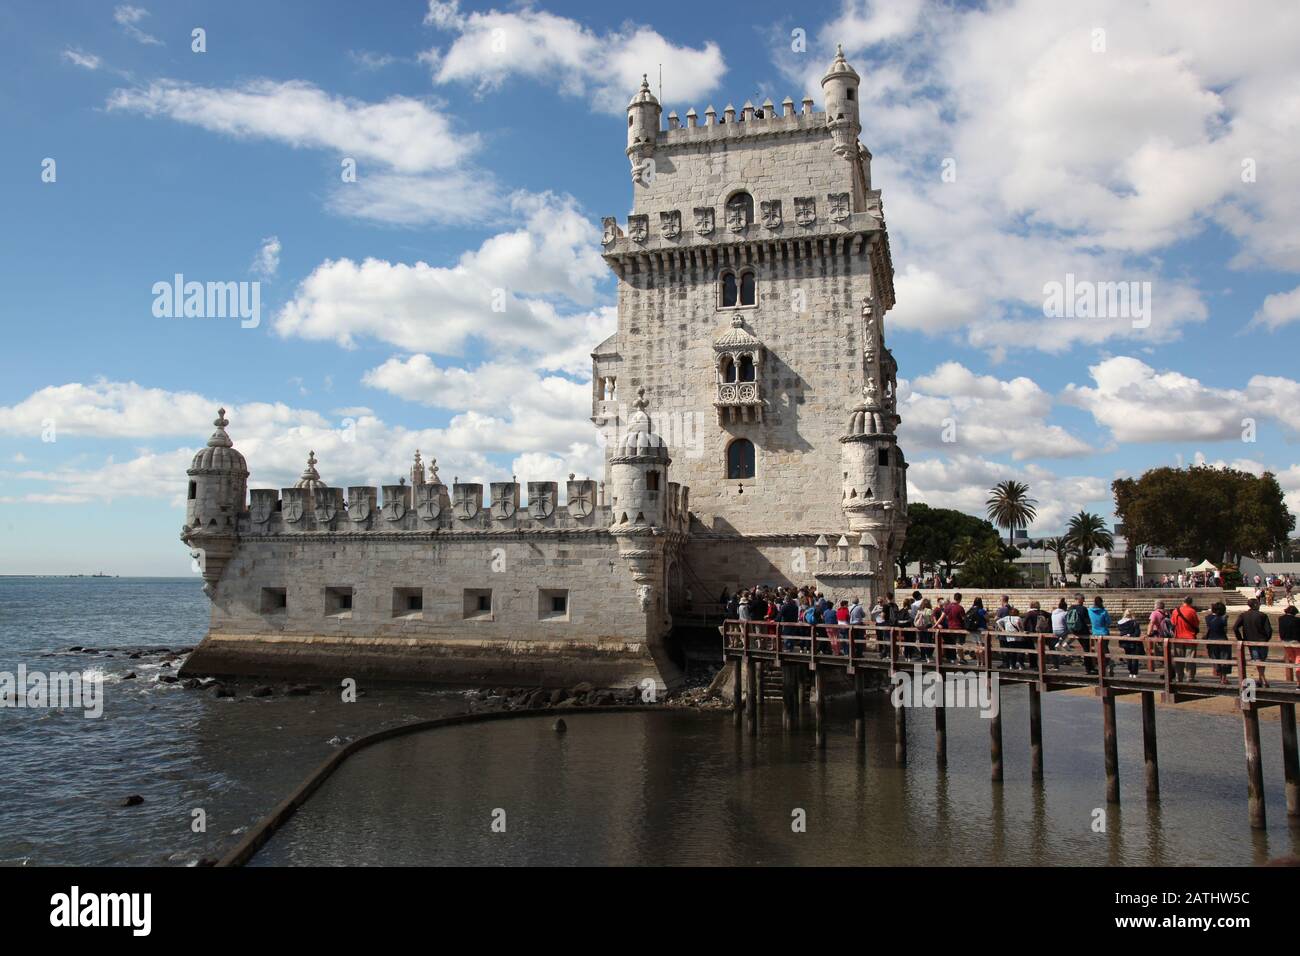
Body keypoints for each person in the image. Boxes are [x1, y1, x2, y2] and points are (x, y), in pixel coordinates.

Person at [1233, 598, 1274, 688]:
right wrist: (1267, 638)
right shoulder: (1262, 615)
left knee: (1257, 659)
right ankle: (1263, 679)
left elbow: (1235, 628)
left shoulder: (1243, 615)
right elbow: (1269, 630)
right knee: (1262, 660)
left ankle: (1261, 679)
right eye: (1258, 604)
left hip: (1250, 641)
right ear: (1255, 605)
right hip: (1262, 640)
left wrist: (1241, 639)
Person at [1170, 595, 1200, 682]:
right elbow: (1196, 624)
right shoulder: (1192, 611)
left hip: (1178, 637)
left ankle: (1179, 677)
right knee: (1190, 659)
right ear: (1191, 602)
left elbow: (1173, 623)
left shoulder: (1175, 611)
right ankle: (1190, 677)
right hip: (1190, 637)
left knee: (1178, 658)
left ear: (1183, 602)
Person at [1205, 601, 1232, 685]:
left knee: (1216, 659)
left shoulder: (1208, 618)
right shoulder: (1224, 618)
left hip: (1211, 640)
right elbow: (1225, 630)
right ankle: (1223, 678)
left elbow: (1208, 629)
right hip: (1222, 639)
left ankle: (1220, 676)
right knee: (1225, 659)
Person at [1066, 593, 1094, 674]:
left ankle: (1089, 667)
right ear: (1079, 599)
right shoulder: (1083, 609)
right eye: (1083, 599)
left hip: (1074, 631)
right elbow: (1087, 621)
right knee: (1087, 650)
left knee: (1086, 649)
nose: (1084, 601)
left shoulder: (1070, 608)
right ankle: (1089, 668)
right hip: (1083, 632)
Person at [1088, 596, 1113, 676]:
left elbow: (1088, 620)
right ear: (1101, 602)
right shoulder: (1104, 611)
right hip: (1104, 633)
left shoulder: (1090, 611)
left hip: (1095, 633)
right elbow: (1109, 622)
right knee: (1105, 649)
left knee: (1100, 649)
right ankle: (1108, 664)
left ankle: (1102, 666)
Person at [1116, 607, 1142, 677]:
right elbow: (1137, 633)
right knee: (1135, 657)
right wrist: (1130, 635)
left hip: (1124, 642)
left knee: (1128, 657)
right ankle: (1134, 673)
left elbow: (1121, 632)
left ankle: (1130, 672)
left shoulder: (1120, 623)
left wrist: (1126, 635)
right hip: (1133, 642)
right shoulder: (1134, 622)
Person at [1147, 600, 1170, 673]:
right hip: (1167, 636)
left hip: (1159, 636)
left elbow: (1151, 623)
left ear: (1156, 606)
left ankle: (1169, 671)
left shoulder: (1155, 613)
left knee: (1159, 654)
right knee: (1166, 654)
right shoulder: (1167, 613)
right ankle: (1168, 671)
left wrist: (1148, 634)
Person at [1280, 605, 1300, 684]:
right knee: (1298, 662)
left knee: (1294, 660)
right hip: (1296, 642)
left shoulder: (1281, 619)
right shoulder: (1297, 620)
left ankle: (1297, 682)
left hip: (1285, 642)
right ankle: (1298, 683)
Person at [1050, 597, 1070, 668]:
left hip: (1054, 631)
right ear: (1065, 607)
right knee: (1072, 634)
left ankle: (1059, 643)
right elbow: (1067, 623)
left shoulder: (1053, 613)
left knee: (1061, 635)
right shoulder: (1065, 613)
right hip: (1062, 631)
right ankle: (1065, 643)